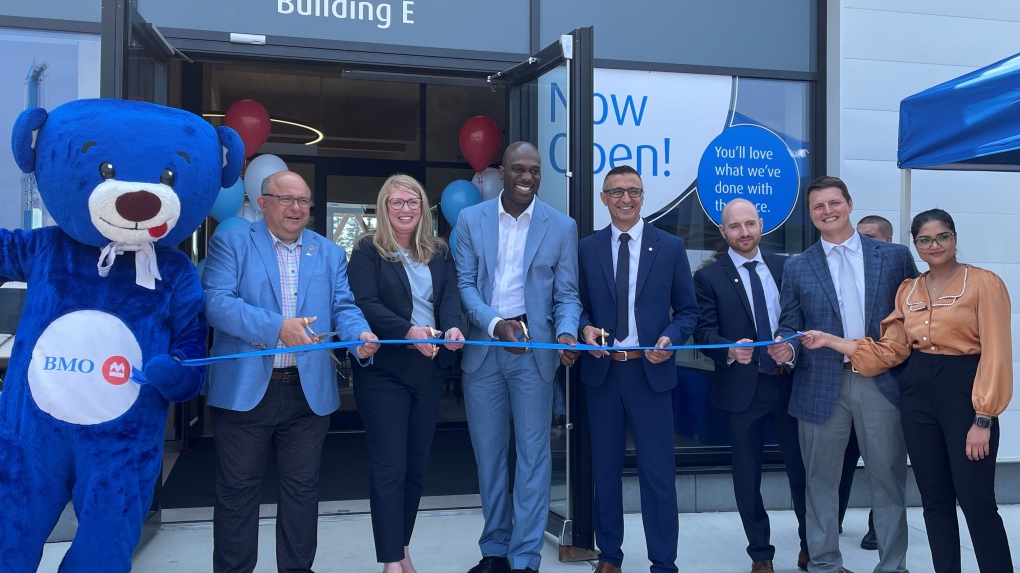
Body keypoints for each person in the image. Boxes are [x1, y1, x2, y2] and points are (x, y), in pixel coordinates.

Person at [800, 208, 1014, 573]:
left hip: (965, 392)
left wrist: (984, 417)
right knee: (934, 500)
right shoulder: (909, 289)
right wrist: (834, 342)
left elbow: (996, 351)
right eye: (925, 239)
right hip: (917, 394)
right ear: (915, 246)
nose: (935, 245)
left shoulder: (983, 283)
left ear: (955, 237)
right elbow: (892, 350)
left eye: (943, 236)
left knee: (976, 500)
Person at [202, 170, 380, 573]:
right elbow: (216, 303)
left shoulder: (330, 252)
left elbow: (345, 307)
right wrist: (276, 328)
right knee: (237, 493)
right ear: (263, 202)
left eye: (303, 201)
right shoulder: (233, 241)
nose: (296, 208)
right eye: (286, 199)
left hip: (306, 393)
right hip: (245, 392)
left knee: (302, 492)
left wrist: (359, 336)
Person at [769, 176, 918, 573]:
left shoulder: (895, 256)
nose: (827, 211)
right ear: (811, 214)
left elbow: (916, 314)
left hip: (881, 383)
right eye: (818, 206)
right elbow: (790, 325)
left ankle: (893, 566)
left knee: (887, 479)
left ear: (849, 204)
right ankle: (823, 564)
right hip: (819, 385)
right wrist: (786, 347)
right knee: (820, 481)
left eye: (834, 203)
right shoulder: (798, 267)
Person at [454, 141, 582, 573]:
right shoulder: (471, 220)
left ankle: (525, 557)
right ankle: (495, 550)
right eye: (518, 170)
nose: (527, 178)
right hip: (485, 347)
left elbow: (567, 295)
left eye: (534, 171)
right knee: (489, 455)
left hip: (536, 350)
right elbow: (466, 285)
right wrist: (495, 325)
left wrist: (565, 332)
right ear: (501, 173)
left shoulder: (561, 226)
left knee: (533, 457)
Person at [577, 165, 698, 573]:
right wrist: (582, 328)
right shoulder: (587, 248)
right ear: (603, 198)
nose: (625, 199)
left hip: (651, 371)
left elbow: (688, 311)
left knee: (658, 474)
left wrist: (671, 337)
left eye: (633, 191)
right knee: (605, 470)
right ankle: (609, 556)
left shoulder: (670, 247)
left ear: (643, 196)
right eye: (616, 192)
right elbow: (576, 305)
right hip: (603, 374)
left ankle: (664, 561)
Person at [347, 174, 466, 573]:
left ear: (423, 208)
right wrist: (406, 331)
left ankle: (401, 549)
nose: (405, 209)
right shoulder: (367, 250)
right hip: (385, 371)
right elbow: (365, 303)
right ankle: (391, 562)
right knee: (389, 465)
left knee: (415, 465)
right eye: (396, 202)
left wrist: (451, 328)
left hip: (428, 368)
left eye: (413, 202)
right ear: (384, 207)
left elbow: (449, 297)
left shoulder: (439, 251)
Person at [693, 198, 808, 573]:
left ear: (761, 224)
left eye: (749, 224)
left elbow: (802, 321)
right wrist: (728, 350)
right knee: (747, 476)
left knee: (805, 472)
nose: (743, 233)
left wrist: (789, 349)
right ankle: (761, 554)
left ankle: (813, 544)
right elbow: (703, 332)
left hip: (791, 383)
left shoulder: (787, 266)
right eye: (734, 227)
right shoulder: (708, 277)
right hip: (744, 388)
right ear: (723, 231)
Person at [837, 215, 894, 550]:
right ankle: (835, 518)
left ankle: (878, 527)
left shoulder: (896, 269)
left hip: (881, 380)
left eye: (870, 238)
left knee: (883, 464)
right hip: (841, 378)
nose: (862, 244)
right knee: (841, 460)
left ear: (884, 243)